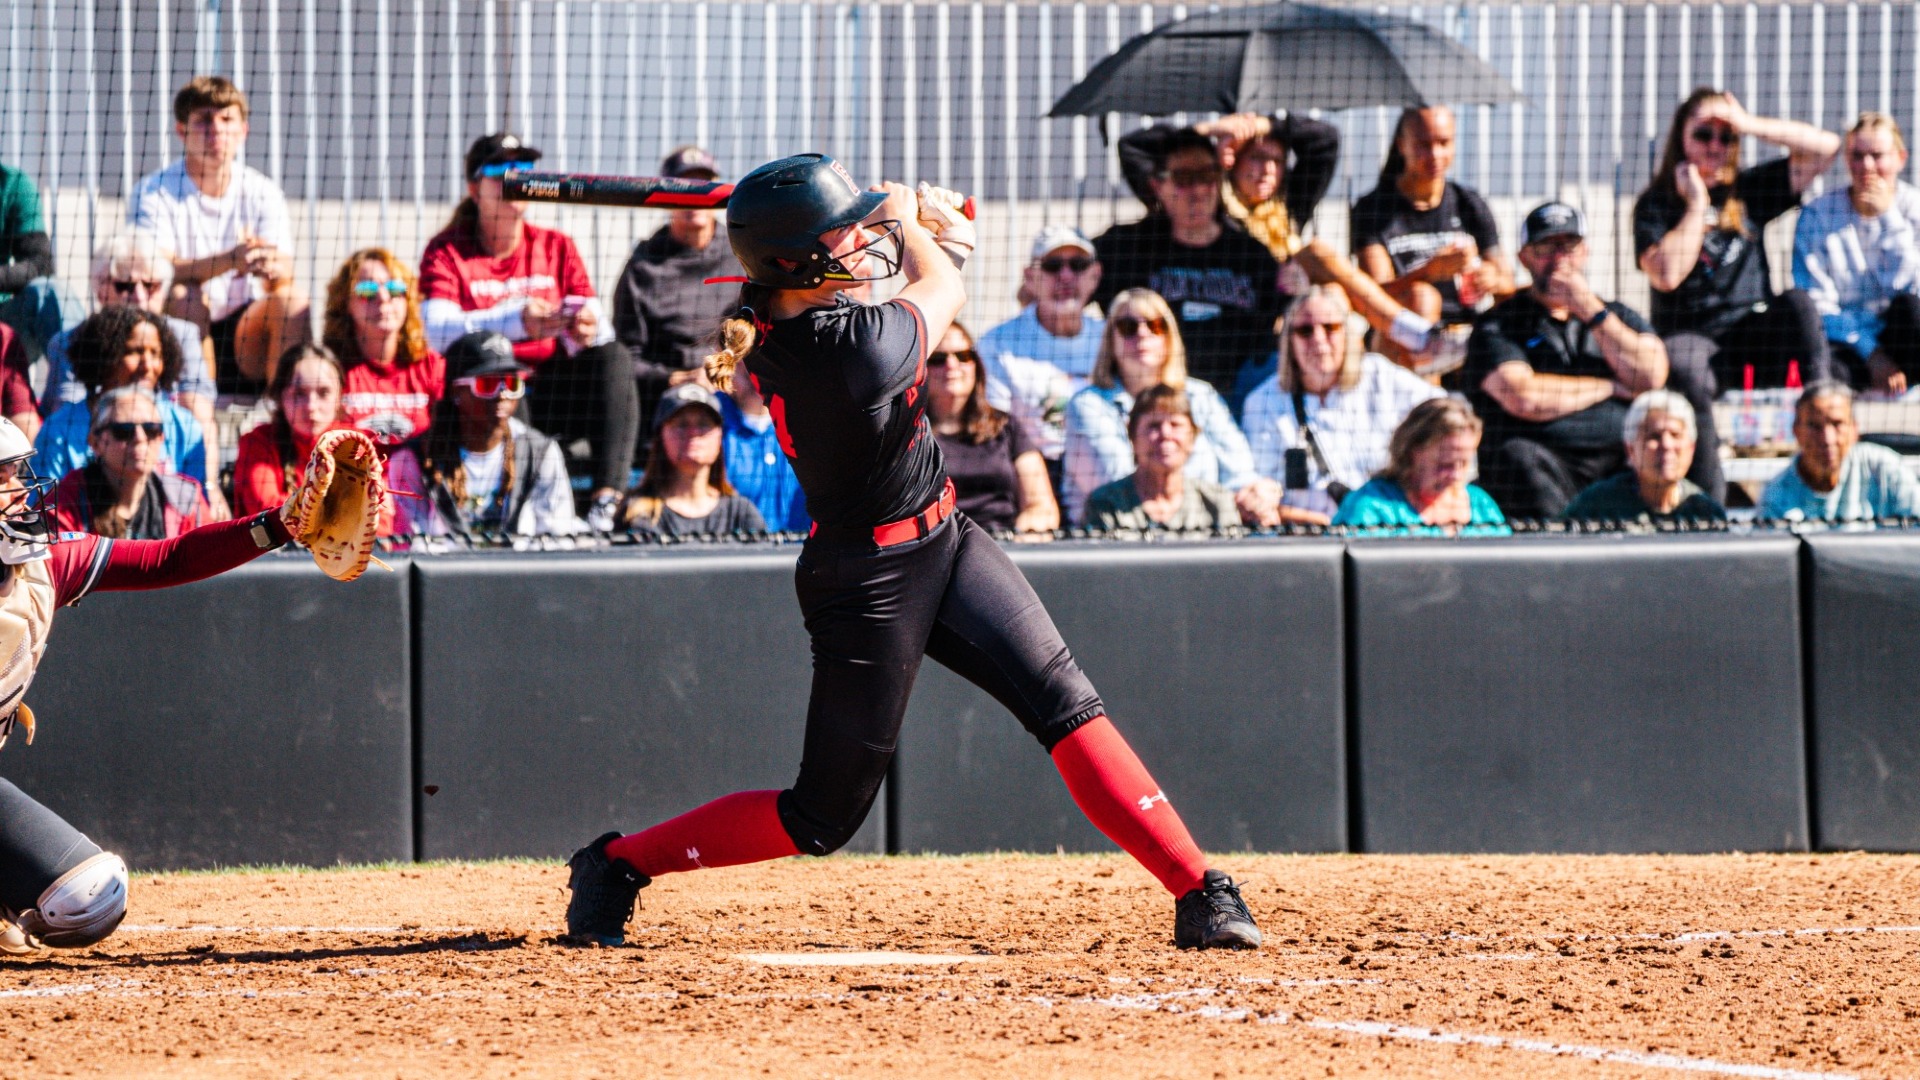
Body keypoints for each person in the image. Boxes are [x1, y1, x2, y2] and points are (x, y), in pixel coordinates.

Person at [561, 154, 1262, 953]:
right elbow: (944, 292)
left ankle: (1199, 887)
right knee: (820, 818)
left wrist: (911, 227)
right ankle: (616, 864)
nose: (861, 245)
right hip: (865, 583)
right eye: (844, 236)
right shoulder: (848, 352)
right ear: (797, 264)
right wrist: (906, 219)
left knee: (1067, 703)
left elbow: (909, 282)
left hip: (947, 538)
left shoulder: (808, 314)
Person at [0, 415, 302, 956]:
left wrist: (279, 524)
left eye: (19, 473)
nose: (22, 491)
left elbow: (171, 557)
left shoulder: (46, 566)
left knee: (88, 899)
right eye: (3, 477)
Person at [1112, 115, 1462, 396]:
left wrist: (1263, 125)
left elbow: (1324, 140)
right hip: (1261, 330)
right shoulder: (1212, 208)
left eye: (1276, 161)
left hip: (1294, 309)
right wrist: (1211, 132)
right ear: (1230, 166)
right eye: (1256, 158)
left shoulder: (1286, 208)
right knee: (1317, 258)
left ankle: (1414, 349)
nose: (1266, 169)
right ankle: (1417, 337)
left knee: (1321, 267)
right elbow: (1134, 150)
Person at [419, 133, 639, 529]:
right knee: (502, 376)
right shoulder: (447, 250)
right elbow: (435, 332)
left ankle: (607, 503)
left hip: (557, 388)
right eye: (501, 170)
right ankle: (511, 512)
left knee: (614, 357)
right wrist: (515, 322)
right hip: (489, 398)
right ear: (474, 188)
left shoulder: (556, 245)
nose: (515, 179)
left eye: (523, 170)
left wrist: (584, 329)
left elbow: (594, 322)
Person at [1466, 202, 1671, 519]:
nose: (1559, 258)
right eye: (1546, 246)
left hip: (1617, 461)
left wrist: (1590, 309)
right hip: (1542, 465)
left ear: (1585, 252)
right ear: (1524, 257)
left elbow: (1650, 375)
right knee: (1518, 458)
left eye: (1569, 246)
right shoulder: (1500, 323)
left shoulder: (1615, 315)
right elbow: (1524, 396)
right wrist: (1609, 386)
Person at [1636, 90, 1837, 398]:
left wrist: (1747, 123)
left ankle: (1823, 403)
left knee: (1799, 304)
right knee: (1684, 369)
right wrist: (1696, 205)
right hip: (1691, 335)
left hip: (1751, 328)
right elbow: (1666, 275)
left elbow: (1827, 149)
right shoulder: (1656, 203)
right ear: (1681, 138)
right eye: (1704, 134)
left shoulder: (1747, 190)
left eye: (1726, 136)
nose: (1715, 146)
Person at [129, 76, 309, 393]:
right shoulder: (154, 191)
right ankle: (200, 413)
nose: (216, 131)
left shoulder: (263, 191)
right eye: (203, 121)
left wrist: (268, 265)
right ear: (181, 131)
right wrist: (230, 260)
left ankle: (284, 415)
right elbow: (155, 271)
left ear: (243, 131)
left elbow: (284, 275)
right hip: (180, 329)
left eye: (227, 119)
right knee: (186, 297)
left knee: (291, 300)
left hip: (246, 335)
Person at [1094, 126, 1289, 394]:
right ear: (1157, 185)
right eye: (1183, 178)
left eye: (1207, 176)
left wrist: (1296, 289)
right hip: (1152, 394)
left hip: (1235, 395)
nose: (1197, 190)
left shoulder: (1251, 255)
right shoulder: (1128, 248)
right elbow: (1131, 143)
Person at [38, 233, 223, 509]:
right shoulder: (62, 430)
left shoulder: (184, 428)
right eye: (125, 285)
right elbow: (47, 513)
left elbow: (193, 518)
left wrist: (211, 488)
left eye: (150, 285)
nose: (137, 296)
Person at [1059, 289, 1272, 526]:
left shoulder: (1201, 396)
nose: (1142, 334)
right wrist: (1217, 498)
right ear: (1110, 340)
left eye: (1155, 325)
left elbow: (1240, 475)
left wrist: (1255, 494)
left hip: (1202, 532)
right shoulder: (1088, 405)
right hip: (1116, 532)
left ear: (1169, 336)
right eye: (1128, 327)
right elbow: (1124, 484)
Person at [1242, 285, 1443, 521]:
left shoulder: (1381, 377)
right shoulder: (1262, 401)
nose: (1318, 339)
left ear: (1347, 334)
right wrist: (1329, 524)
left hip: (1386, 527)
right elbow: (1262, 494)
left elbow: (1448, 415)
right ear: (1289, 341)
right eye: (1305, 331)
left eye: (1330, 328)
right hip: (1309, 535)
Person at [1352, 106, 1515, 370]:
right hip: (1400, 338)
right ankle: (1425, 400)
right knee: (1422, 297)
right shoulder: (1373, 210)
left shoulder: (1469, 204)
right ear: (1401, 145)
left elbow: (1508, 284)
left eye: (1444, 143)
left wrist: (1491, 278)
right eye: (1423, 144)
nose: (1435, 154)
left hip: (1464, 335)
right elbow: (1372, 297)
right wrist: (1430, 271)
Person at [387, 331, 584, 538]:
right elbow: (411, 546)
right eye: (487, 385)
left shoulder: (541, 452)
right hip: (446, 569)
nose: (502, 395)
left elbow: (558, 538)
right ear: (456, 392)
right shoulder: (413, 460)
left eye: (511, 384)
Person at [611, 146, 742, 432]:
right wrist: (676, 379)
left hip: (738, 390)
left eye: (702, 185)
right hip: (668, 402)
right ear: (664, 196)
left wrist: (725, 368)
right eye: (683, 186)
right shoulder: (644, 265)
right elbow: (626, 358)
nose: (694, 196)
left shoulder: (743, 253)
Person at [1793, 113, 1920, 392]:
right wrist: (1871, 352)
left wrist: (1888, 218)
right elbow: (1817, 301)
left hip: (1904, 337)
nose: (1867, 166)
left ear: (1900, 158)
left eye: (1877, 155)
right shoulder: (1819, 214)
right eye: (1857, 156)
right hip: (1847, 342)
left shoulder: (1914, 208)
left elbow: (1912, 288)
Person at [974, 226, 1106, 484]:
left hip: (1101, 472)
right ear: (1031, 277)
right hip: (1031, 473)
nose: (1065, 276)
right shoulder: (998, 344)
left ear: (1095, 275)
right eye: (1052, 265)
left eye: (1078, 265)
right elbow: (996, 431)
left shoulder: (1114, 337)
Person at [35, 307, 207, 487]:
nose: (147, 365)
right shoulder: (59, 430)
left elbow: (194, 506)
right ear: (103, 355)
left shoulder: (186, 428)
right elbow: (44, 507)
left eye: (155, 353)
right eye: (133, 352)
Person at [926, 323, 1059, 535]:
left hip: (1002, 545)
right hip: (936, 548)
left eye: (963, 356)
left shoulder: (1006, 427)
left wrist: (1025, 536)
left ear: (976, 365)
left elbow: (1041, 506)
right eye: (938, 359)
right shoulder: (909, 435)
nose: (952, 365)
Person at [322, 248, 446, 447]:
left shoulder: (430, 366)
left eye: (395, 289)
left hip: (415, 475)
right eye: (367, 291)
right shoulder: (331, 370)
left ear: (408, 300)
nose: (383, 297)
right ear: (345, 303)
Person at [50, 387, 210, 539]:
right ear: (95, 442)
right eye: (123, 431)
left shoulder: (186, 497)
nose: (140, 438)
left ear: (162, 438)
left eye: (151, 429)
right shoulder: (63, 504)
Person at [1332, 398, 1508, 535]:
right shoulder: (1371, 507)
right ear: (1412, 452)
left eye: (1464, 463)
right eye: (1444, 464)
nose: (1455, 475)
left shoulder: (1481, 505)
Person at [1083, 384, 1240, 533]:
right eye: (1154, 425)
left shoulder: (1218, 502)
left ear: (1193, 437)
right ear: (1133, 437)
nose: (1166, 434)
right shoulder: (1106, 504)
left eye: (1175, 424)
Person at [1758, 380, 1920, 522]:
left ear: (1854, 429)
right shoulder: (1775, 498)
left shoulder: (1886, 469)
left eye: (1837, 424)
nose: (1827, 439)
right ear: (1796, 431)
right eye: (1814, 426)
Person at [622, 382, 767, 538]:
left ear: (720, 436)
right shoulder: (637, 511)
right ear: (661, 435)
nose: (693, 433)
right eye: (682, 424)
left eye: (704, 424)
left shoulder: (740, 512)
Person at [232, 344, 359, 518]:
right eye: (299, 394)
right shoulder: (257, 443)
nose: (311, 406)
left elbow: (380, 517)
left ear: (339, 396)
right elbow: (266, 511)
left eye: (323, 392)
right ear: (280, 396)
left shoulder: (356, 445)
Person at [1563, 390, 1727, 525]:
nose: (1667, 445)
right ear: (1631, 449)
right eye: (1654, 437)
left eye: (1675, 435)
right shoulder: (1597, 503)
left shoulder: (1705, 511)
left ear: (1691, 448)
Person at [0, 159, 80, 359]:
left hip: (3, 327)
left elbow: (40, 264)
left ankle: (77, 385)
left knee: (48, 292)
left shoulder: (12, 183)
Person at [720, 365, 809, 533]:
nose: (755, 380)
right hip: (736, 554)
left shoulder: (808, 422)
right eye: (746, 370)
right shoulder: (710, 423)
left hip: (802, 553)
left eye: (761, 368)